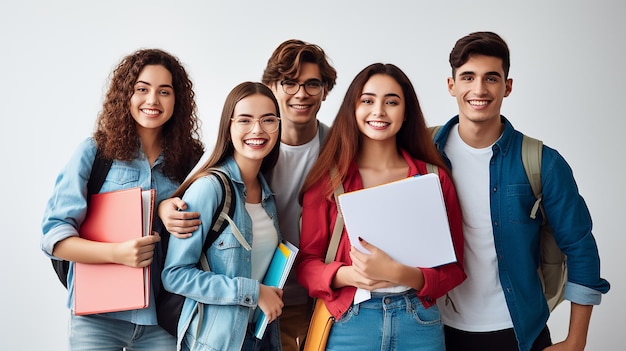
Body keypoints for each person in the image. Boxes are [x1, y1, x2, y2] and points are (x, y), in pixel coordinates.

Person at [433, 31, 611, 351]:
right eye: (468, 77)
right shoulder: (423, 153)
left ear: (507, 86)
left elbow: (581, 247)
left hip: (517, 333)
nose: (479, 89)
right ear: (451, 85)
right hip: (435, 329)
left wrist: (576, 341)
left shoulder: (543, 162)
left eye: (491, 78)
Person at [158, 39, 338, 351]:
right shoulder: (219, 181)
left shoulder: (334, 148)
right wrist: (164, 207)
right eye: (290, 83)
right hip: (224, 330)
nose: (301, 93)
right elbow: (188, 199)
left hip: (287, 309)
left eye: (312, 84)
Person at [41, 48, 204, 350]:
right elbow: (55, 238)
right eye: (142, 89)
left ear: (177, 100)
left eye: (164, 91)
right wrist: (118, 253)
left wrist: (166, 209)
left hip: (165, 319)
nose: (152, 100)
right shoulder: (95, 153)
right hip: (97, 318)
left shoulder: (192, 161)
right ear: (125, 95)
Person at [296, 63, 466, 351]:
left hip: (419, 324)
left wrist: (399, 273)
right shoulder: (328, 181)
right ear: (353, 109)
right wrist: (347, 275)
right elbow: (307, 264)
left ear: (406, 111)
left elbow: (455, 269)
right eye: (368, 100)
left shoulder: (433, 179)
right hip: (349, 322)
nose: (379, 111)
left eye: (392, 102)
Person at [161, 82, 284, 351]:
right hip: (217, 343)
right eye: (245, 120)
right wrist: (253, 292)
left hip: (260, 338)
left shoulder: (267, 194)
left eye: (268, 120)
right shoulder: (210, 188)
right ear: (228, 127)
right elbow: (175, 275)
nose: (257, 130)